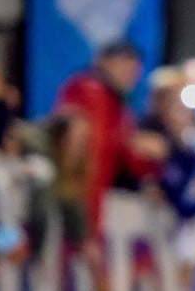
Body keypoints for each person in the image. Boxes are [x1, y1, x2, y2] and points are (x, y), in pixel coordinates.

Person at [52, 41, 167, 239]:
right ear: (103, 63)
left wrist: (152, 167)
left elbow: (128, 157)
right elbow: (93, 162)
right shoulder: (92, 92)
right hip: (73, 206)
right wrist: (89, 230)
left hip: (83, 210)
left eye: (134, 69)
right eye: (124, 66)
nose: (131, 74)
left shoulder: (118, 106)